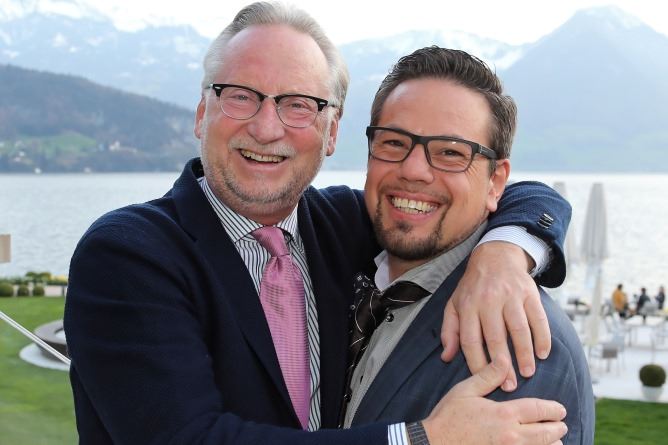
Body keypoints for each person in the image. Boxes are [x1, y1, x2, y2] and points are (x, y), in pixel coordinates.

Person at [64, 3, 571, 444]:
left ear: (331, 133)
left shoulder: (341, 225)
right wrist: (421, 439)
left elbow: (502, 193)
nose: (266, 127)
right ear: (202, 113)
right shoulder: (128, 255)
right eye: (240, 95)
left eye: (298, 105)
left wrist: (503, 253)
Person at [343, 47, 594, 444]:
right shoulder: (333, 246)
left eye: (450, 152)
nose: (413, 170)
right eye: (393, 142)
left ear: (496, 182)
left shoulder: (516, 338)